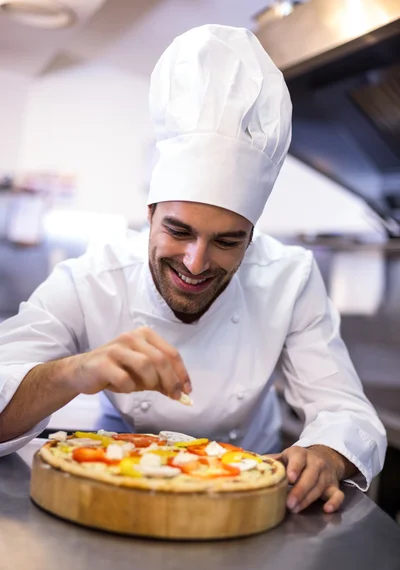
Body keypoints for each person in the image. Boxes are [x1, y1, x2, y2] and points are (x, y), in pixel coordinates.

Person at [0, 25, 386, 514]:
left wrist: (327, 456)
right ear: (149, 215)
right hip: (116, 480)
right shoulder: (92, 277)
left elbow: (346, 409)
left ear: (252, 235)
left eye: (227, 240)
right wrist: (74, 372)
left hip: (249, 493)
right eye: (179, 232)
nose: (196, 262)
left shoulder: (290, 277)